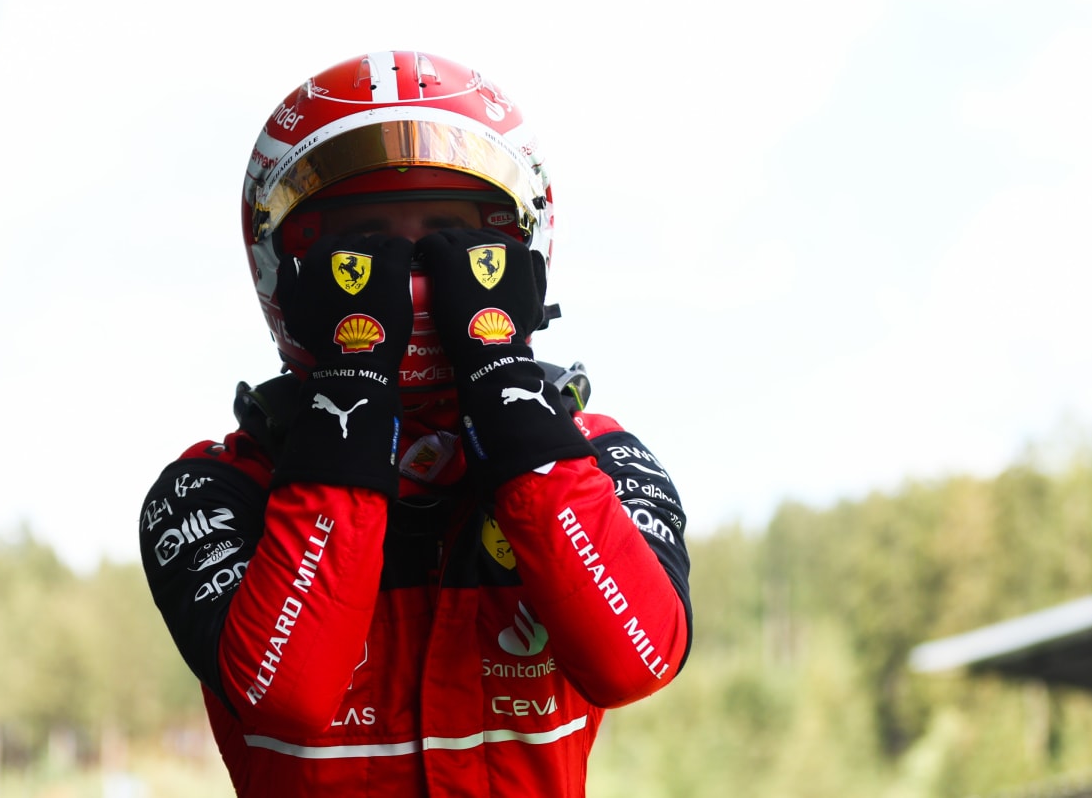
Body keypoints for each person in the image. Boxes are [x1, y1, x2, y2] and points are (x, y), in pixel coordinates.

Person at [138, 50, 692, 797]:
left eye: (449, 237)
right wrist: (355, 381)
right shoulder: (213, 492)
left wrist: (502, 383)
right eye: (366, 240)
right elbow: (289, 695)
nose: (409, 268)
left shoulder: (600, 458)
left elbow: (636, 661)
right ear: (284, 269)